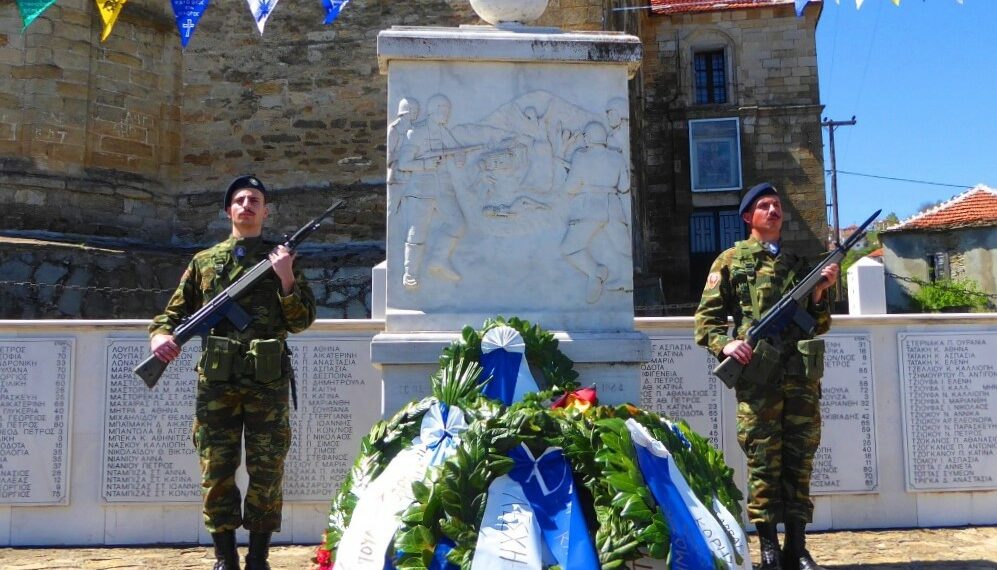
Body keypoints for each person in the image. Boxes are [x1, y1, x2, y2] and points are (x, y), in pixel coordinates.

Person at [148, 175, 317, 570]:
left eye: (254, 200)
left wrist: (286, 277)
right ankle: (225, 557)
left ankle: (258, 558)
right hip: (217, 385)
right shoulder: (205, 262)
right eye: (239, 200)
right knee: (216, 469)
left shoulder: (282, 259)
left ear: (265, 211)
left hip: (266, 384)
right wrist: (159, 337)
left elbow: (301, 321)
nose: (246, 205)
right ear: (228, 211)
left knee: (267, 470)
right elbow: (170, 315)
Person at [693, 182, 839, 570]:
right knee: (763, 461)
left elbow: (818, 324)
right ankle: (769, 547)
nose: (773, 211)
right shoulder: (731, 261)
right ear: (748, 217)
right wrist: (726, 344)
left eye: (777, 205)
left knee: (800, 459)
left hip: (800, 378)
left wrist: (820, 293)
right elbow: (706, 321)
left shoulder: (798, 265)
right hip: (759, 380)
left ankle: (797, 546)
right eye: (764, 206)